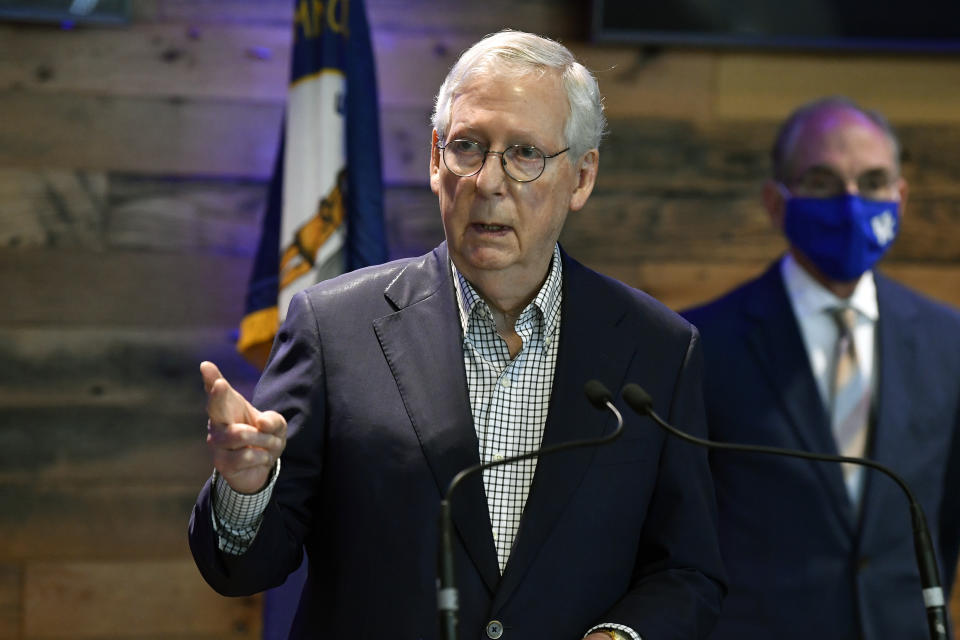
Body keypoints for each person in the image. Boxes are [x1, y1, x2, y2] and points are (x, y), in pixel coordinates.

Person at [188, 30, 725, 640]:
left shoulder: (656, 348)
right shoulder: (334, 327)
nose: (489, 182)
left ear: (580, 178)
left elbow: (687, 570)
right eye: (468, 147)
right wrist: (245, 486)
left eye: (525, 154)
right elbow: (243, 569)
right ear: (436, 159)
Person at [683, 96, 960, 640]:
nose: (852, 204)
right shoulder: (698, 345)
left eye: (874, 181)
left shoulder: (949, 341)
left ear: (900, 197)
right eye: (823, 182)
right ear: (775, 201)